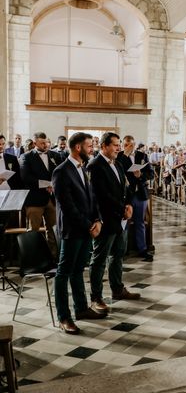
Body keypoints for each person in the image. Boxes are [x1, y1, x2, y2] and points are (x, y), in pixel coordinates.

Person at [52, 132, 106, 334]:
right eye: (90, 146)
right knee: (63, 273)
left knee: (78, 270)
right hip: (72, 230)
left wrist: (98, 219)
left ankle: (81, 309)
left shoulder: (82, 169)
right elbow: (67, 206)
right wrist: (88, 226)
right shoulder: (61, 171)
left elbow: (92, 198)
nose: (92, 149)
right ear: (77, 148)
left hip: (86, 228)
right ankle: (64, 317)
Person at [87, 132, 138, 315]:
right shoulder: (95, 165)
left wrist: (129, 204)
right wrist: (122, 208)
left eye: (119, 145)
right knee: (99, 259)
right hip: (107, 219)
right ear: (103, 146)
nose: (119, 148)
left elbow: (126, 186)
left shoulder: (117, 163)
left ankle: (117, 289)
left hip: (120, 219)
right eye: (115, 145)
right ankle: (96, 297)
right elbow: (100, 196)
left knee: (118, 254)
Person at [19, 131, 60, 258]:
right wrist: (46, 185)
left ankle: (54, 257)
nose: (45, 145)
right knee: (33, 231)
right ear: (35, 142)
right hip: (34, 199)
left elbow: (59, 173)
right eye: (42, 143)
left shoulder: (54, 155)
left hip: (51, 198)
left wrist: (53, 185)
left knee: (53, 230)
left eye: (46, 142)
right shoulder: (26, 157)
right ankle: (32, 260)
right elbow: (26, 177)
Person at [117, 135, 153, 262]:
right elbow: (117, 170)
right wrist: (125, 156)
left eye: (131, 145)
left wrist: (141, 175)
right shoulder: (119, 156)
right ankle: (122, 250)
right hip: (126, 195)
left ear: (135, 144)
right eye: (126, 145)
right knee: (125, 222)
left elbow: (151, 173)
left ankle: (142, 249)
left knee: (140, 222)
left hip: (140, 194)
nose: (128, 147)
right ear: (122, 145)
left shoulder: (142, 156)